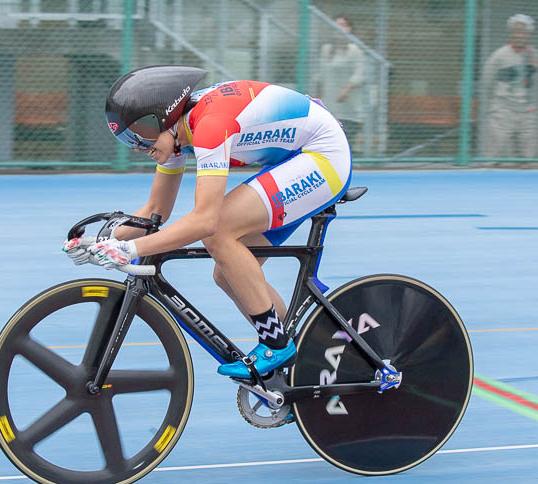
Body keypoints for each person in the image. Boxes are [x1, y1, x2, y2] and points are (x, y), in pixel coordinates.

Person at [63, 66, 352, 379]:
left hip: (322, 156)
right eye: (128, 140)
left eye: (140, 135)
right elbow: (156, 209)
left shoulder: (209, 125)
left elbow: (205, 221)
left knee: (220, 232)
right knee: (227, 272)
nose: (138, 148)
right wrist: (101, 242)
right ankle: (302, 355)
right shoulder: (175, 136)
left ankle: (276, 344)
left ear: (163, 117)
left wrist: (129, 249)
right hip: (292, 159)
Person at [481, 14, 538, 159]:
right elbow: (487, 80)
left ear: (528, 34)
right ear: (511, 33)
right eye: (516, 31)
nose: (519, 35)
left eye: (523, 32)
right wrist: (498, 102)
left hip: (526, 110)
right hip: (503, 109)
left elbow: (534, 79)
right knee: (493, 152)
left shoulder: (535, 55)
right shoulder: (499, 55)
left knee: (526, 154)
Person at [317, 15, 366, 152]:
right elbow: (321, 74)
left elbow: (359, 73)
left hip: (349, 107)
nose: (340, 28)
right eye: (336, 25)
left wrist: (347, 89)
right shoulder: (326, 49)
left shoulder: (355, 50)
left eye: (344, 25)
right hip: (330, 106)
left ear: (350, 29)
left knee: (345, 143)